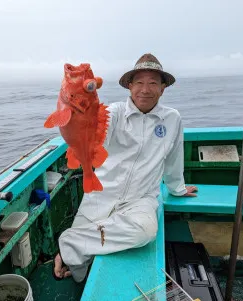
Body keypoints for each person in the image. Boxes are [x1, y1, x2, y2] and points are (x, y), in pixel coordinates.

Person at [53, 53, 198, 282]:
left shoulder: (172, 119)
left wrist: (178, 188)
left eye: (153, 83)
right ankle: (74, 260)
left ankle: (69, 243)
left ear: (163, 88)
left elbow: (174, 159)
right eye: (139, 82)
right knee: (76, 272)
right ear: (129, 86)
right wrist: (76, 98)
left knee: (146, 231)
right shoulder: (113, 112)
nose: (145, 89)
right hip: (101, 194)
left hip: (140, 200)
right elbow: (90, 130)